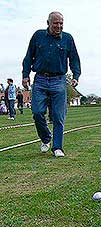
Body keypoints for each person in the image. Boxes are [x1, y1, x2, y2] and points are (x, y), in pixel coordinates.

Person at [22, 11, 81, 157]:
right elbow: (29, 56)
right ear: (48, 23)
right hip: (40, 79)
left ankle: (57, 148)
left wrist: (76, 76)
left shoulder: (67, 39)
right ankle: (46, 138)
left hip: (59, 80)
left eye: (61, 23)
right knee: (37, 112)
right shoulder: (38, 36)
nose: (59, 26)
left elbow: (74, 59)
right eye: (56, 23)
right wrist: (25, 75)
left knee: (58, 115)